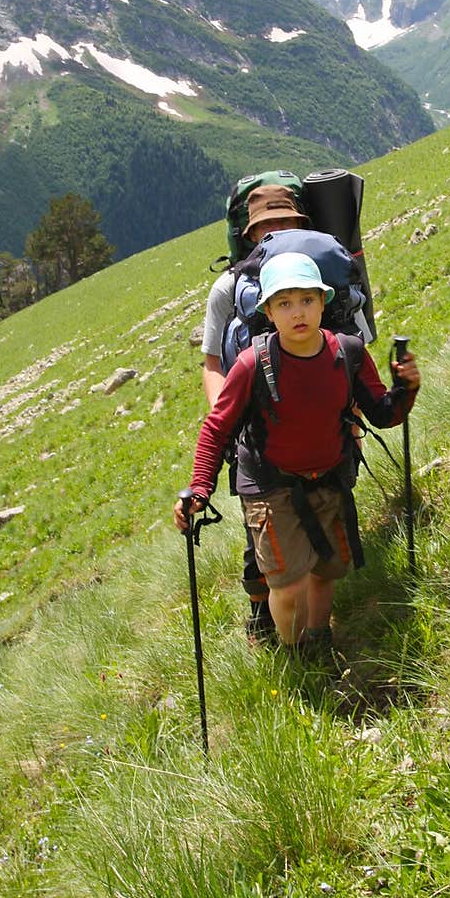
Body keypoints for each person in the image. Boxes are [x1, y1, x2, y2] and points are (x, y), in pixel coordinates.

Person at [176, 252, 420, 658]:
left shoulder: (349, 352)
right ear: (268, 312)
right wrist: (200, 489)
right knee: (286, 585)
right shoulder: (252, 364)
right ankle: (296, 654)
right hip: (270, 487)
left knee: (327, 571)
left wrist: (405, 389)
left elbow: (383, 413)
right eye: (284, 303)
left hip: (330, 477)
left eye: (307, 299)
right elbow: (217, 426)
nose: (297, 312)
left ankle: (320, 642)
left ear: (323, 303)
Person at [200, 183, 311, 643]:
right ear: (249, 234)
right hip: (254, 434)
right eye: (266, 226)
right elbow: (211, 362)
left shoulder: (316, 276)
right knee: (260, 528)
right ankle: (262, 613)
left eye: (284, 223)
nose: (275, 233)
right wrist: (226, 421)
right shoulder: (228, 289)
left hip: (318, 421)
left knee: (323, 511)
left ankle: (313, 614)